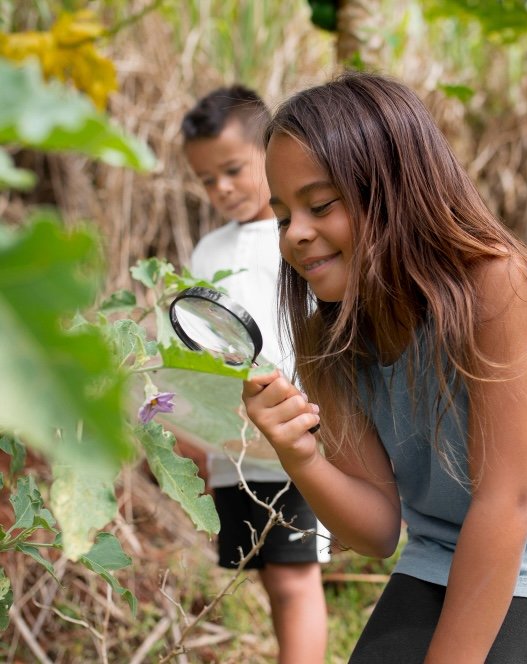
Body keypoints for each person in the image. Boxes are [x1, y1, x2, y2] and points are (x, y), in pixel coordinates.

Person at [242, 72, 527, 664]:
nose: (296, 234)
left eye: (319, 205)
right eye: (281, 216)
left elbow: (507, 500)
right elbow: (374, 532)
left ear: (393, 189)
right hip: (442, 543)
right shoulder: (328, 329)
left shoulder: (500, 285)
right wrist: (301, 456)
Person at [180, 84, 328, 664]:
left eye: (234, 170)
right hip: (230, 447)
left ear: (268, 154)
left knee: (295, 579)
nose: (221, 188)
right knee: (267, 575)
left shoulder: (297, 237)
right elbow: (195, 348)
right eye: (205, 179)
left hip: (292, 434)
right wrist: (191, 433)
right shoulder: (207, 250)